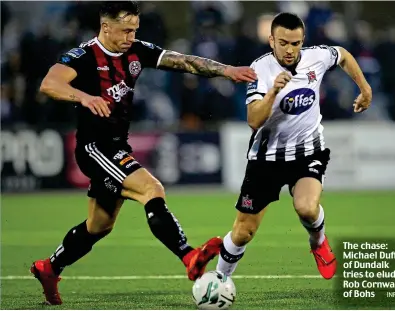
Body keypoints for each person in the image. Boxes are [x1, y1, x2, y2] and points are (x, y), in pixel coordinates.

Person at [31, 1, 257, 305]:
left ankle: (50, 268)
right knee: (152, 189)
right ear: (105, 26)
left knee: (99, 226)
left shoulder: (136, 50)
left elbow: (182, 61)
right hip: (95, 148)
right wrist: (83, 97)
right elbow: (49, 83)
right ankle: (188, 256)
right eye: (125, 30)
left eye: (135, 30)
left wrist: (225, 70)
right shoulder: (84, 56)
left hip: (116, 146)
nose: (130, 36)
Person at [215, 12, 372, 280]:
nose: (290, 50)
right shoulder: (259, 70)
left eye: (296, 43)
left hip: (308, 150)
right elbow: (253, 120)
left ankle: (318, 242)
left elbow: (343, 54)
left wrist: (365, 88)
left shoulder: (317, 57)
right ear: (271, 40)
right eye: (284, 43)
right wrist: (273, 92)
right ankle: (219, 280)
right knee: (243, 232)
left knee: (307, 208)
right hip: (266, 158)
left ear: (303, 41)